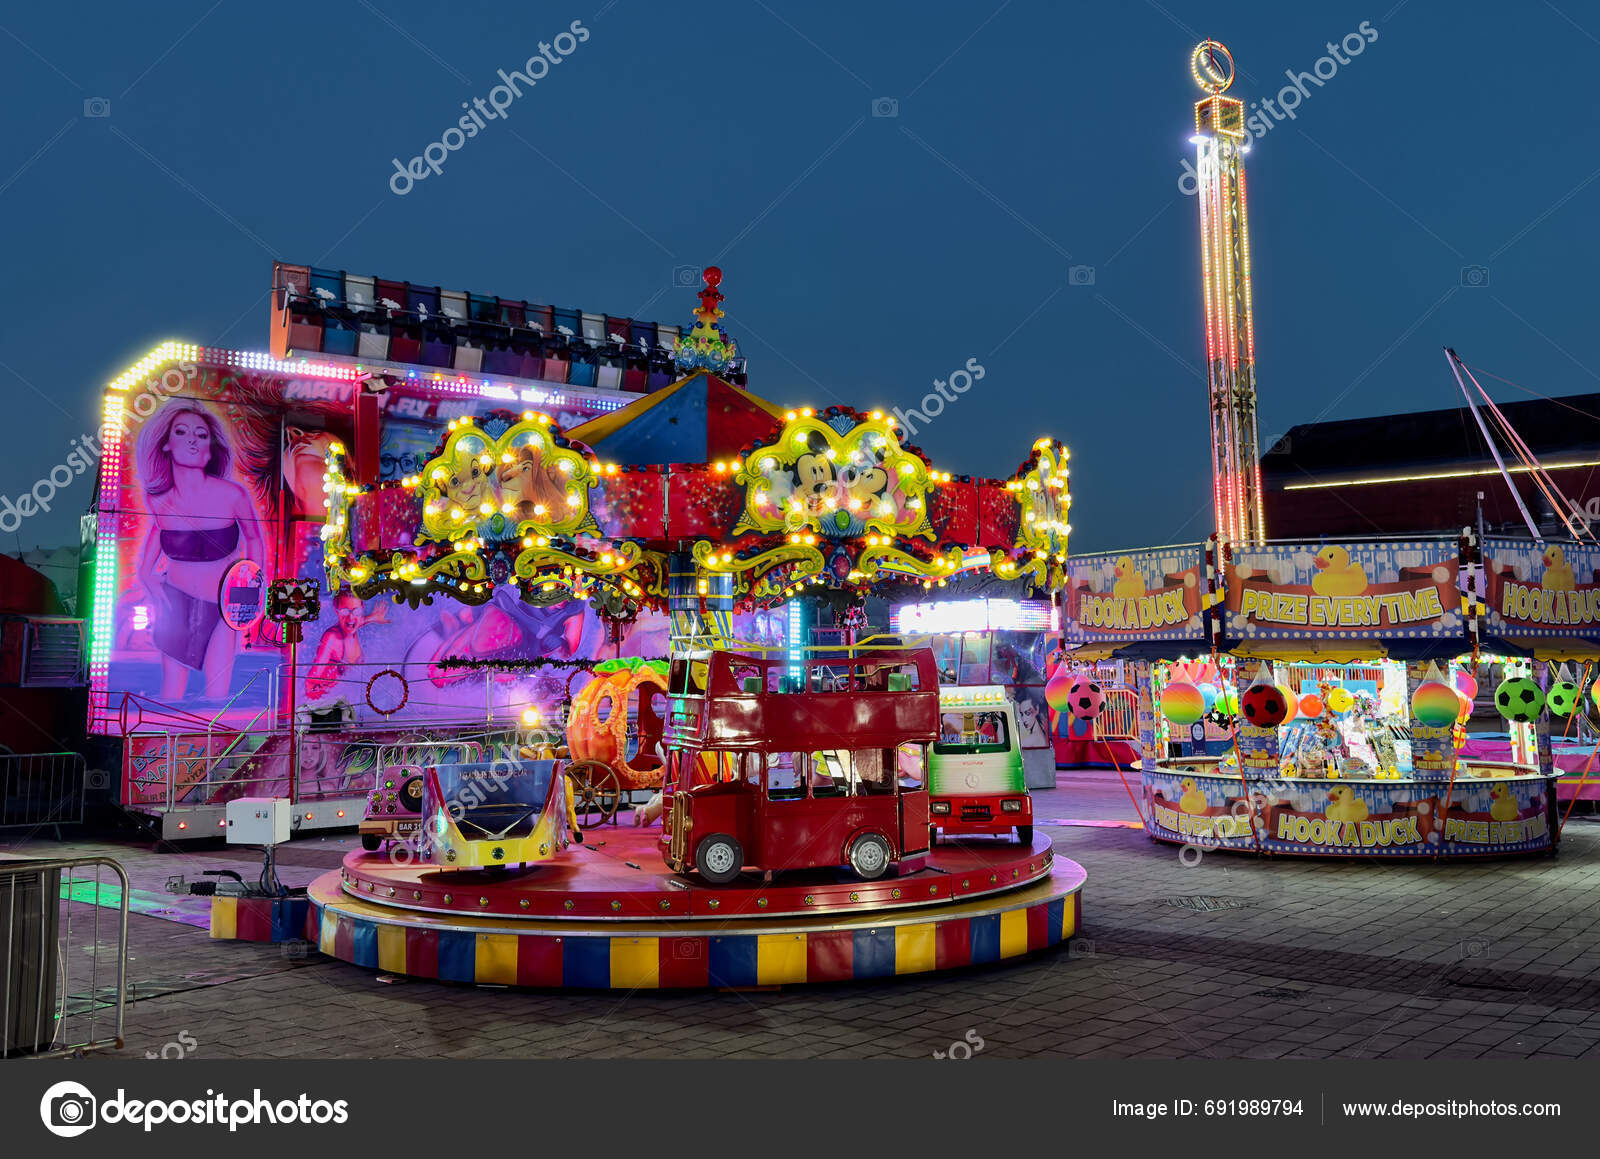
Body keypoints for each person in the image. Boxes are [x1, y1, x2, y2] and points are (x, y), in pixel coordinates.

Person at [136, 402, 263, 701]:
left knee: (218, 695)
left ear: (210, 447)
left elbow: (254, 539)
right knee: (172, 693)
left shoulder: (233, 495)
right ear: (166, 443)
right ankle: (165, 747)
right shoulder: (159, 500)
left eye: (202, 434)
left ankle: (218, 748)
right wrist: (146, 574)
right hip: (175, 604)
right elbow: (160, 529)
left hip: (222, 607)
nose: (193, 439)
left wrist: (253, 589)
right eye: (181, 432)